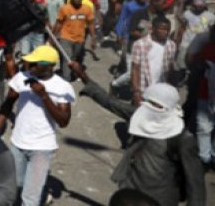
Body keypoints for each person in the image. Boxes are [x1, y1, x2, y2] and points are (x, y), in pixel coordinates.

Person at [69, 61, 205, 206]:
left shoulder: (182, 138)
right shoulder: (142, 115)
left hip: (159, 199)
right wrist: (84, 78)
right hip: (130, 191)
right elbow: (111, 103)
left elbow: (195, 184)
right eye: (149, 102)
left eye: (156, 105)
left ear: (169, 108)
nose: (150, 108)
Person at [0, 45, 74, 206]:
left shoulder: (62, 87)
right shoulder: (20, 78)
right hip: (17, 142)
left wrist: (44, 96)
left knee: (30, 199)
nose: (29, 67)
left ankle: (38, 195)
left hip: (42, 148)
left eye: (35, 64)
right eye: (29, 63)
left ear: (50, 66)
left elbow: (63, 121)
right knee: (14, 185)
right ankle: (42, 194)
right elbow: (7, 105)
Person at [130, 17, 178, 105]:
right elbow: (135, 69)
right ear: (153, 29)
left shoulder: (171, 45)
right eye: (162, 29)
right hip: (143, 89)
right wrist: (136, 92)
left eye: (168, 30)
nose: (166, 32)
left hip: (160, 92)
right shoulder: (140, 44)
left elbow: (170, 68)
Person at [52, 0, 96, 80]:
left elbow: (91, 23)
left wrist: (93, 38)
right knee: (66, 58)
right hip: (65, 37)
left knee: (74, 58)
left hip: (80, 39)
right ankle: (66, 79)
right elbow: (59, 23)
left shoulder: (87, 9)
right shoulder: (64, 8)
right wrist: (53, 36)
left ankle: (71, 74)